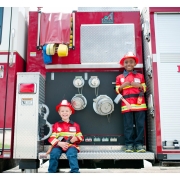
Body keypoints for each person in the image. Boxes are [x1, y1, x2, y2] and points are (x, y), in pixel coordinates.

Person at [115, 52, 147, 153]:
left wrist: (138, 86)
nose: (129, 64)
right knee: (128, 126)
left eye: (131, 62)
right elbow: (117, 91)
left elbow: (144, 89)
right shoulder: (119, 77)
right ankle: (129, 145)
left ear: (135, 64)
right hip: (126, 106)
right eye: (126, 62)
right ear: (123, 64)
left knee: (140, 125)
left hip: (139, 105)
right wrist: (122, 86)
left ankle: (139, 145)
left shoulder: (140, 76)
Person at [47, 99, 84, 173]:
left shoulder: (76, 125)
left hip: (71, 145)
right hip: (58, 145)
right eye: (62, 111)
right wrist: (59, 143)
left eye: (67, 111)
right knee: (54, 154)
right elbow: (51, 138)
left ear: (70, 112)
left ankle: (75, 172)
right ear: (59, 112)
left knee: (72, 154)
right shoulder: (56, 125)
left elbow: (81, 137)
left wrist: (76, 138)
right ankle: (51, 172)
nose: (64, 113)